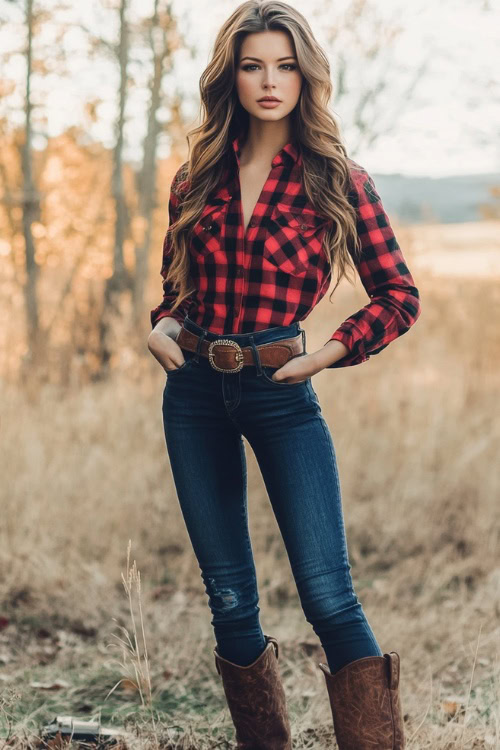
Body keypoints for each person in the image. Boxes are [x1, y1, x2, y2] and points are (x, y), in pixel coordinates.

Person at [148, 2, 420, 747]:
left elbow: (400, 297)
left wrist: (326, 353)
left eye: (285, 65)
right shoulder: (196, 173)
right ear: (229, 76)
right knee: (230, 597)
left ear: (307, 75)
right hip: (195, 393)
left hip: (283, 393)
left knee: (329, 597)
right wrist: (164, 327)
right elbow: (178, 289)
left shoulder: (337, 178)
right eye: (252, 65)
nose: (270, 81)